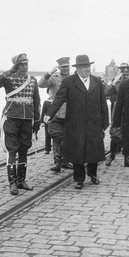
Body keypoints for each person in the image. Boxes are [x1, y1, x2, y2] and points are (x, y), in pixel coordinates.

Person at [44, 55, 109, 190]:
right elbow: (59, 99)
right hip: (76, 123)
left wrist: (104, 122)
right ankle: (79, 179)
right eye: (84, 67)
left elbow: (103, 103)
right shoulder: (69, 82)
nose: (87, 69)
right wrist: (49, 114)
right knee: (77, 152)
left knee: (93, 150)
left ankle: (93, 174)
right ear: (78, 68)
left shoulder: (97, 81)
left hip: (93, 122)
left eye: (88, 66)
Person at [0, 53, 41, 195]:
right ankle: (12, 182)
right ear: (16, 66)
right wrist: (10, 71)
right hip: (11, 118)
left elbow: (36, 101)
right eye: (21, 65)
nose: (25, 67)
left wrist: (37, 120)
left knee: (24, 149)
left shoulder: (32, 80)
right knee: (12, 149)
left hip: (26, 119)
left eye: (26, 64)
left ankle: (21, 180)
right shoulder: (8, 78)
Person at [38, 57, 73, 172]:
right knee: (57, 137)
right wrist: (48, 74)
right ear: (59, 68)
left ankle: (66, 160)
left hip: (71, 111)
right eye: (63, 67)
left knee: (68, 137)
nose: (66, 69)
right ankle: (57, 162)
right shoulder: (54, 78)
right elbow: (41, 84)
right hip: (57, 112)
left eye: (67, 66)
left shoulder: (73, 78)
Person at [105, 63, 129, 167]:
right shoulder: (116, 84)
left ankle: (127, 158)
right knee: (115, 135)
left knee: (128, 135)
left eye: (127, 75)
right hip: (117, 112)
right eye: (123, 75)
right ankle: (111, 156)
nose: (125, 77)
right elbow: (106, 93)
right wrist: (113, 82)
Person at [40, 89, 53, 154]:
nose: (52, 93)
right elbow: (43, 112)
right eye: (50, 92)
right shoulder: (46, 102)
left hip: (55, 120)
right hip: (47, 120)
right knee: (47, 135)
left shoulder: (57, 101)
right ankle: (47, 149)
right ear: (48, 93)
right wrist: (42, 122)